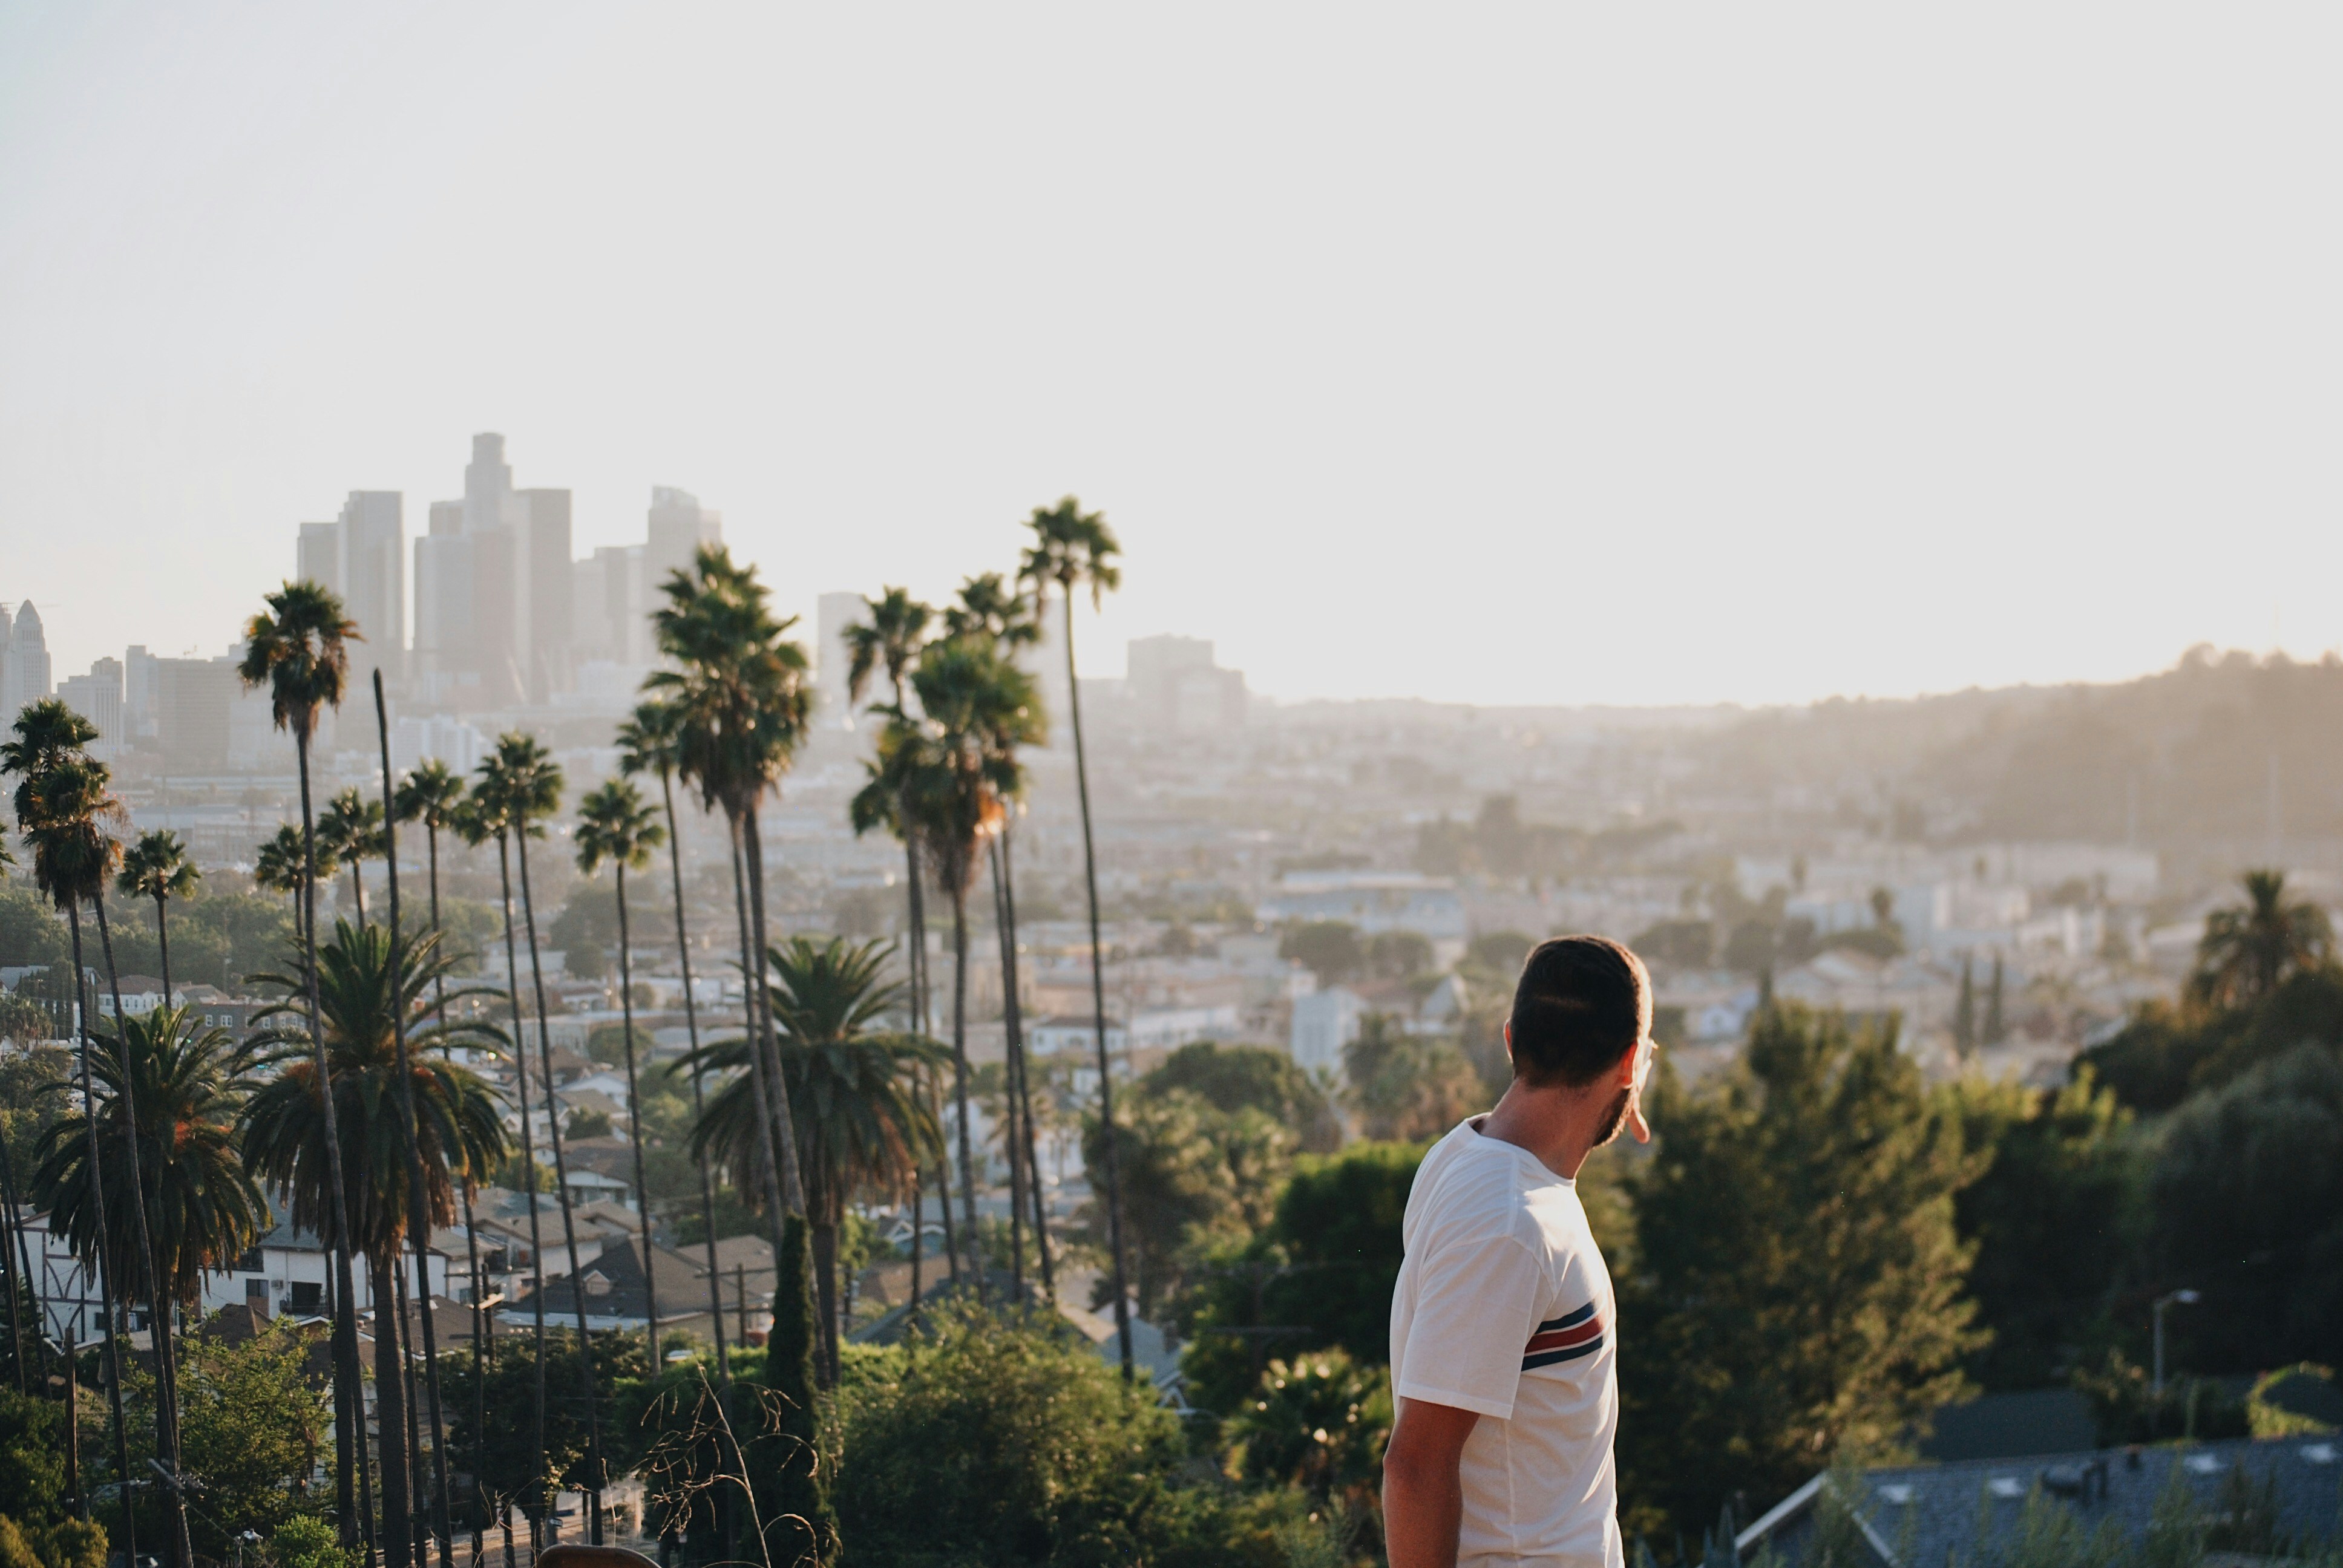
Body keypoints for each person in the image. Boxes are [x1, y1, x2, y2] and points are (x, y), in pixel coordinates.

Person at [1382, 935, 1656, 1568]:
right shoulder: (1508, 1225)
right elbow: (1415, 1466)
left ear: (1512, 1040)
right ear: (1627, 1062)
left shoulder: (1470, 1157)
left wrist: (1623, 1077)